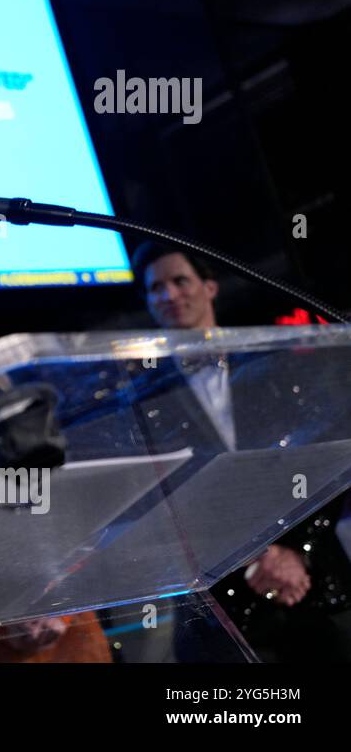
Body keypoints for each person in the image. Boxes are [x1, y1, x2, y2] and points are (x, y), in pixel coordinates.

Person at [132, 241, 351, 661]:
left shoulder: (275, 364)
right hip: (223, 605)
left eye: (180, 281)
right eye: (156, 288)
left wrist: (296, 553)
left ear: (210, 287)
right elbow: (163, 502)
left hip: (315, 582)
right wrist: (257, 558)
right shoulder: (143, 402)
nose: (170, 295)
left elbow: (327, 461)